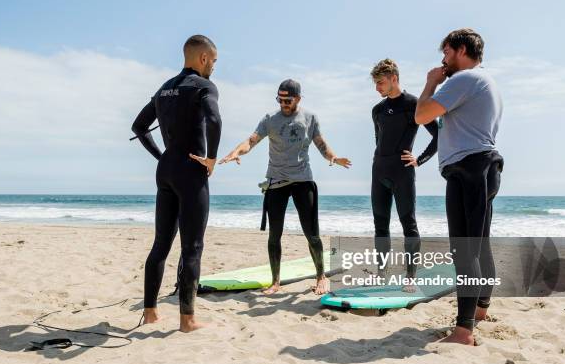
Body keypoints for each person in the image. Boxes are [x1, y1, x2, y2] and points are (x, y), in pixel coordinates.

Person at [219, 79, 351, 295]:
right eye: (279, 99)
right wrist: (236, 152)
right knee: (274, 235)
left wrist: (334, 158)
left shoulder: (310, 118)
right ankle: (275, 281)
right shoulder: (270, 119)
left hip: (302, 180)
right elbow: (251, 141)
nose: (283, 103)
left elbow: (321, 144)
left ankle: (321, 277)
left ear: (298, 98)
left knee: (312, 234)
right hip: (276, 182)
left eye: (287, 100)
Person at [415, 28, 504, 345]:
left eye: (447, 53)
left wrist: (431, 83)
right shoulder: (485, 81)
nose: (443, 60)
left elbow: (421, 114)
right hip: (483, 168)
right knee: (479, 245)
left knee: (464, 249)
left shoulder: (463, 80)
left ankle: (463, 331)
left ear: (462, 50)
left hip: (469, 169)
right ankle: (479, 311)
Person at [131, 34, 222, 333]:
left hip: (166, 170)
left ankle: (151, 313)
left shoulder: (163, 89)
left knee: (161, 244)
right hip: (191, 171)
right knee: (192, 247)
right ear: (204, 58)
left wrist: (162, 155)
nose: (214, 68)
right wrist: (211, 158)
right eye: (214, 61)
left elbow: (138, 126)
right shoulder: (204, 86)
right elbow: (215, 120)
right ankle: (188, 320)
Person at [369, 59, 439, 291]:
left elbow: (438, 136)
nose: (377, 87)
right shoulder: (377, 110)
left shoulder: (413, 104)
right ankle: (381, 273)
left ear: (394, 79)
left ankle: (410, 277)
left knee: (408, 223)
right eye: (375, 83)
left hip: (402, 173)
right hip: (379, 171)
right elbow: (379, 141)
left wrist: (419, 159)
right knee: (381, 225)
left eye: (380, 82)